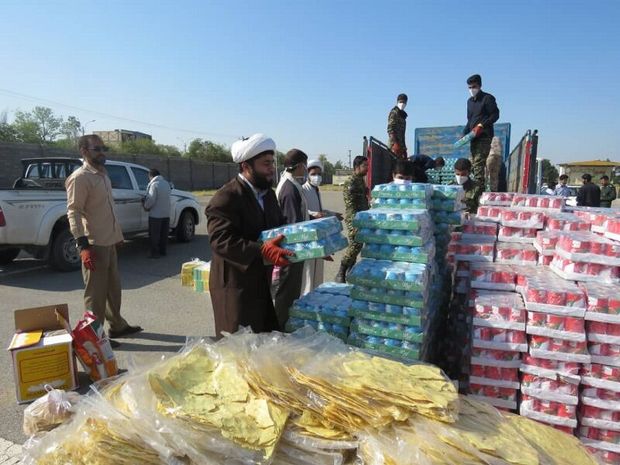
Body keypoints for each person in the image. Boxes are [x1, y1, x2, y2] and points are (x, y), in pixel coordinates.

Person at [205, 134, 291, 336]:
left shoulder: (268, 194)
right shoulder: (226, 196)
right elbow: (221, 240)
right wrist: (261, 249)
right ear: (246, 166)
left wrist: (311, 245)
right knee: (238, 346)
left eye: (272, 163)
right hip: (235, 285)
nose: (272, 169)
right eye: (266, 164)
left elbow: (279, 227)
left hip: (260, 281)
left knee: (262, 338)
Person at [66, 135, 143, 346]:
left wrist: (117, 236)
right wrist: (83, 246)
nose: (102, 152)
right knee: (95, 297)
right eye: (97, 148)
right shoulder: (80, 178)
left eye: (103, 148)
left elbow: (107, 210)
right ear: (84, 151)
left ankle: (117, 326)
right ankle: (94, 338)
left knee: (113, 290)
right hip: (94, 245)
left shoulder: (102, 174)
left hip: (109, 243)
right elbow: (74, 212)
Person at [274, 149, 309, 327]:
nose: (306, 169)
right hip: (291, 249)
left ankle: (286, 322)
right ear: (299, 165)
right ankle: (281, 325)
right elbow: (293, 224)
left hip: (294, 248)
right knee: (287, 289)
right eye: (305, 165)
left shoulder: (292, 183)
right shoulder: (288, 188)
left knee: (292, 288)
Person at [301, 159, 343, 295]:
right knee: (308, 273)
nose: (317, 177)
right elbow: (303, 210)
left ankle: (315, 296)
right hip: (308, 234)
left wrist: (332, 214)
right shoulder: (303, 189)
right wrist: (315, 214)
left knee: (318, 271)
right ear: (307, 174)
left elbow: (320, 210)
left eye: (319, 174)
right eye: (313, 174)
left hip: (319, 233)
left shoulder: (316, 189)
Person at [462, 74, 500, 208]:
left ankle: (476, 202)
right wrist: (464, 133)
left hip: (484, 137)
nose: (472, 89)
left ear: (480, 86)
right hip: (473, 137)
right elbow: (469, 120)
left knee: (478, 167)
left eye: (474, 87)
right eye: (469, 87)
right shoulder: (469, 102)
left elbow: (495, 115)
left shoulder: (488, 98)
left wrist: (483, 125)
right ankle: (478, 196)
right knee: (473, 167)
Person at [335, 156, 369, 283]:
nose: (367, 168)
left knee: (358, 245)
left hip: (361, 216)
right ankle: (341, 271)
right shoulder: (351, 182)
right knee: (355, 244)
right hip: (354, 218)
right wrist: (355, 223)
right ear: (356, 167)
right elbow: (351, 205)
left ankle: (350, 271)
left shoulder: (360, 180)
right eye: (365, 166)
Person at [143, 169, 171, 258]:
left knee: (154, 235)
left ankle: (154, 253)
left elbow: (151, 199)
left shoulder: (154, 185)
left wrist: (145, 206)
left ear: (151, 176)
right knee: (164, 234)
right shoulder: (166, 184)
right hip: (166, 214)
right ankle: (163, 251)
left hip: (155, 215)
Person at [387, 93, 408, 158]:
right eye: (400, 102)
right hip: (394, 146)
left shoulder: (402, 115)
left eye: (404, 102)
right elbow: (390, 129)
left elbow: (402, 134)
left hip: (401, 147)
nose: (402, 104)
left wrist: (404, 149)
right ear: (397, 102)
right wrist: (395, 144)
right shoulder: (394, 112)